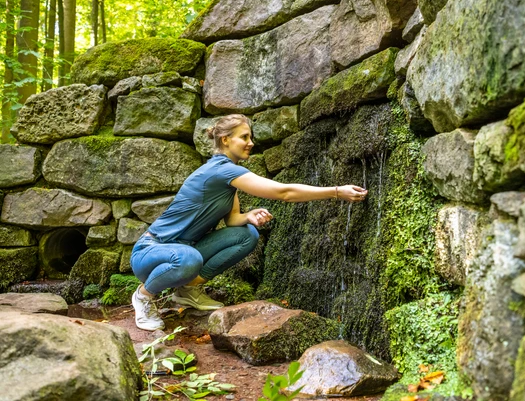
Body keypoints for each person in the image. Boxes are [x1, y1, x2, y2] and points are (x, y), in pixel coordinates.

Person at [130, 114, 368, 331]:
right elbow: (283, 192)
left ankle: (188, 290)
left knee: (247, 234)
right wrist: (336, 191)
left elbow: (233, 218)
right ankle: (143, 295)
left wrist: (249, 216)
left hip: (185, 251)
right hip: (150, 251)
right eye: (244, 137)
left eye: (250, 137)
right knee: (188, 258)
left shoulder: (229, 176)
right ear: (225, 140)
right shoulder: (220, 171)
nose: (251, 142)